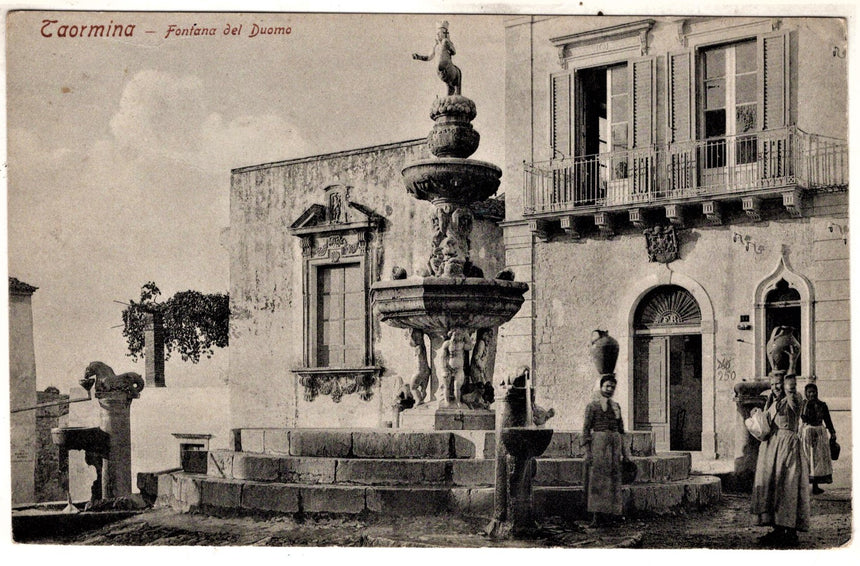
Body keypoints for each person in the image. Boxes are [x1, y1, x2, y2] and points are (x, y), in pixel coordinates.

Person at [751, 372, 811, 547]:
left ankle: (791, 532)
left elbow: (791, 389)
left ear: (785, 384)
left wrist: (792, 365)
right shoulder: (773, 402)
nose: (775, 387)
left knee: (788, 488)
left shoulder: (795, 398)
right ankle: (777, 530)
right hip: (772, 449)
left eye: (778, 384)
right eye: (772, 384)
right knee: (774, 488)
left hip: (788, 448)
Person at [582, 374, 631, 526]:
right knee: (598, 479)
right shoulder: (592, 406)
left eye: (612, 387)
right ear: (601, 387)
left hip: (614, 444)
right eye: (607, 386)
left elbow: (622, 430)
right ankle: (597, 517)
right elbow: (585, 429)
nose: (610, 389)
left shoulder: (616, 406)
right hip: (599, 443)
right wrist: (588, 451)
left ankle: (612, 515)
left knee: (614, 479)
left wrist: (626, 453)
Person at [800, 383, 837, 494]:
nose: (811, 394)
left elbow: (827, 419)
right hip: (807, 434)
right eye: (809, 392)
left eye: (813, 392)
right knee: (807, 459)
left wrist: (832, 432)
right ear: (805, 393)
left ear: (817, 392)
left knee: (818, 460)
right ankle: (805, 486)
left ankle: (815, 486)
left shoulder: (822, 405)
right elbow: (800, 417)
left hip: (820, 433)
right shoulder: (803, 405)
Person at [412, 21, 462, 95]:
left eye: (440, 32)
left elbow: (454, 52)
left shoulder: (446, 42)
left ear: (444, 33)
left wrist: (449, 42)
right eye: (437, 33)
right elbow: (429, 57)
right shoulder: (436, 46)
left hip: (448, 68)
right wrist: (419, 57)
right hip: (440, 73)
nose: (438, 34)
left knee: (453, 88)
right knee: (449, 89)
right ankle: (450, 90)